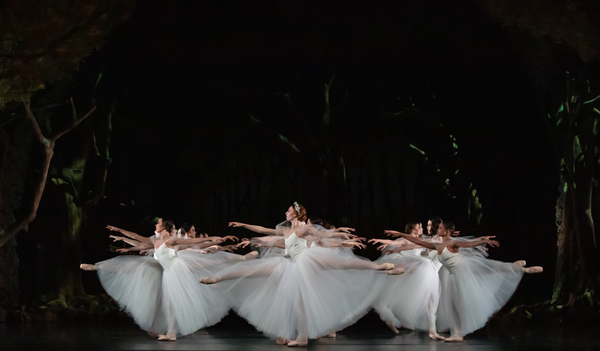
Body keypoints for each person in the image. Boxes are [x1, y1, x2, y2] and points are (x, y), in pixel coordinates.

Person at [201, 202, 402, 346]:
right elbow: (264, 230)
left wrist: (339, 232)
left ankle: (378, 267)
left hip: (305, 263)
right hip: (291, 265)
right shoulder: (287, 232)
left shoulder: (305, 228)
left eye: (288, 211)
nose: (285, 213)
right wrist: (244, 225)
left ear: (296, 214)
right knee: (256, 273)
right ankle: (217, 278)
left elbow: (321, 235)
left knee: (341, 265)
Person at [80, 218, 236, 341]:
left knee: (170, 303)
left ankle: (171, 333)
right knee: (156, 295)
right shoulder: (155, 241)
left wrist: (218, 239)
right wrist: (120, 230)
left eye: (158, 223)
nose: (156, 224)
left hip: (175, 271)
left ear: (165, 227)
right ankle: (166, 331)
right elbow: (137, 238)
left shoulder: (172, 241)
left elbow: (194, 241)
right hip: (164, 270)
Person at [390, 222, 542, 341]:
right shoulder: (437, 244)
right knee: (452, 304)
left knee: (489, 270)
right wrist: (400, 234)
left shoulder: (453, 242)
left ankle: (520, 269)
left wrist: (484, 240)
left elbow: (471, 243)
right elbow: (417, 242)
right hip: (452, 273)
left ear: (447, 231)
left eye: (441, 228)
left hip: (461, 268)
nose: (438, 230)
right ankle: (457, 334)